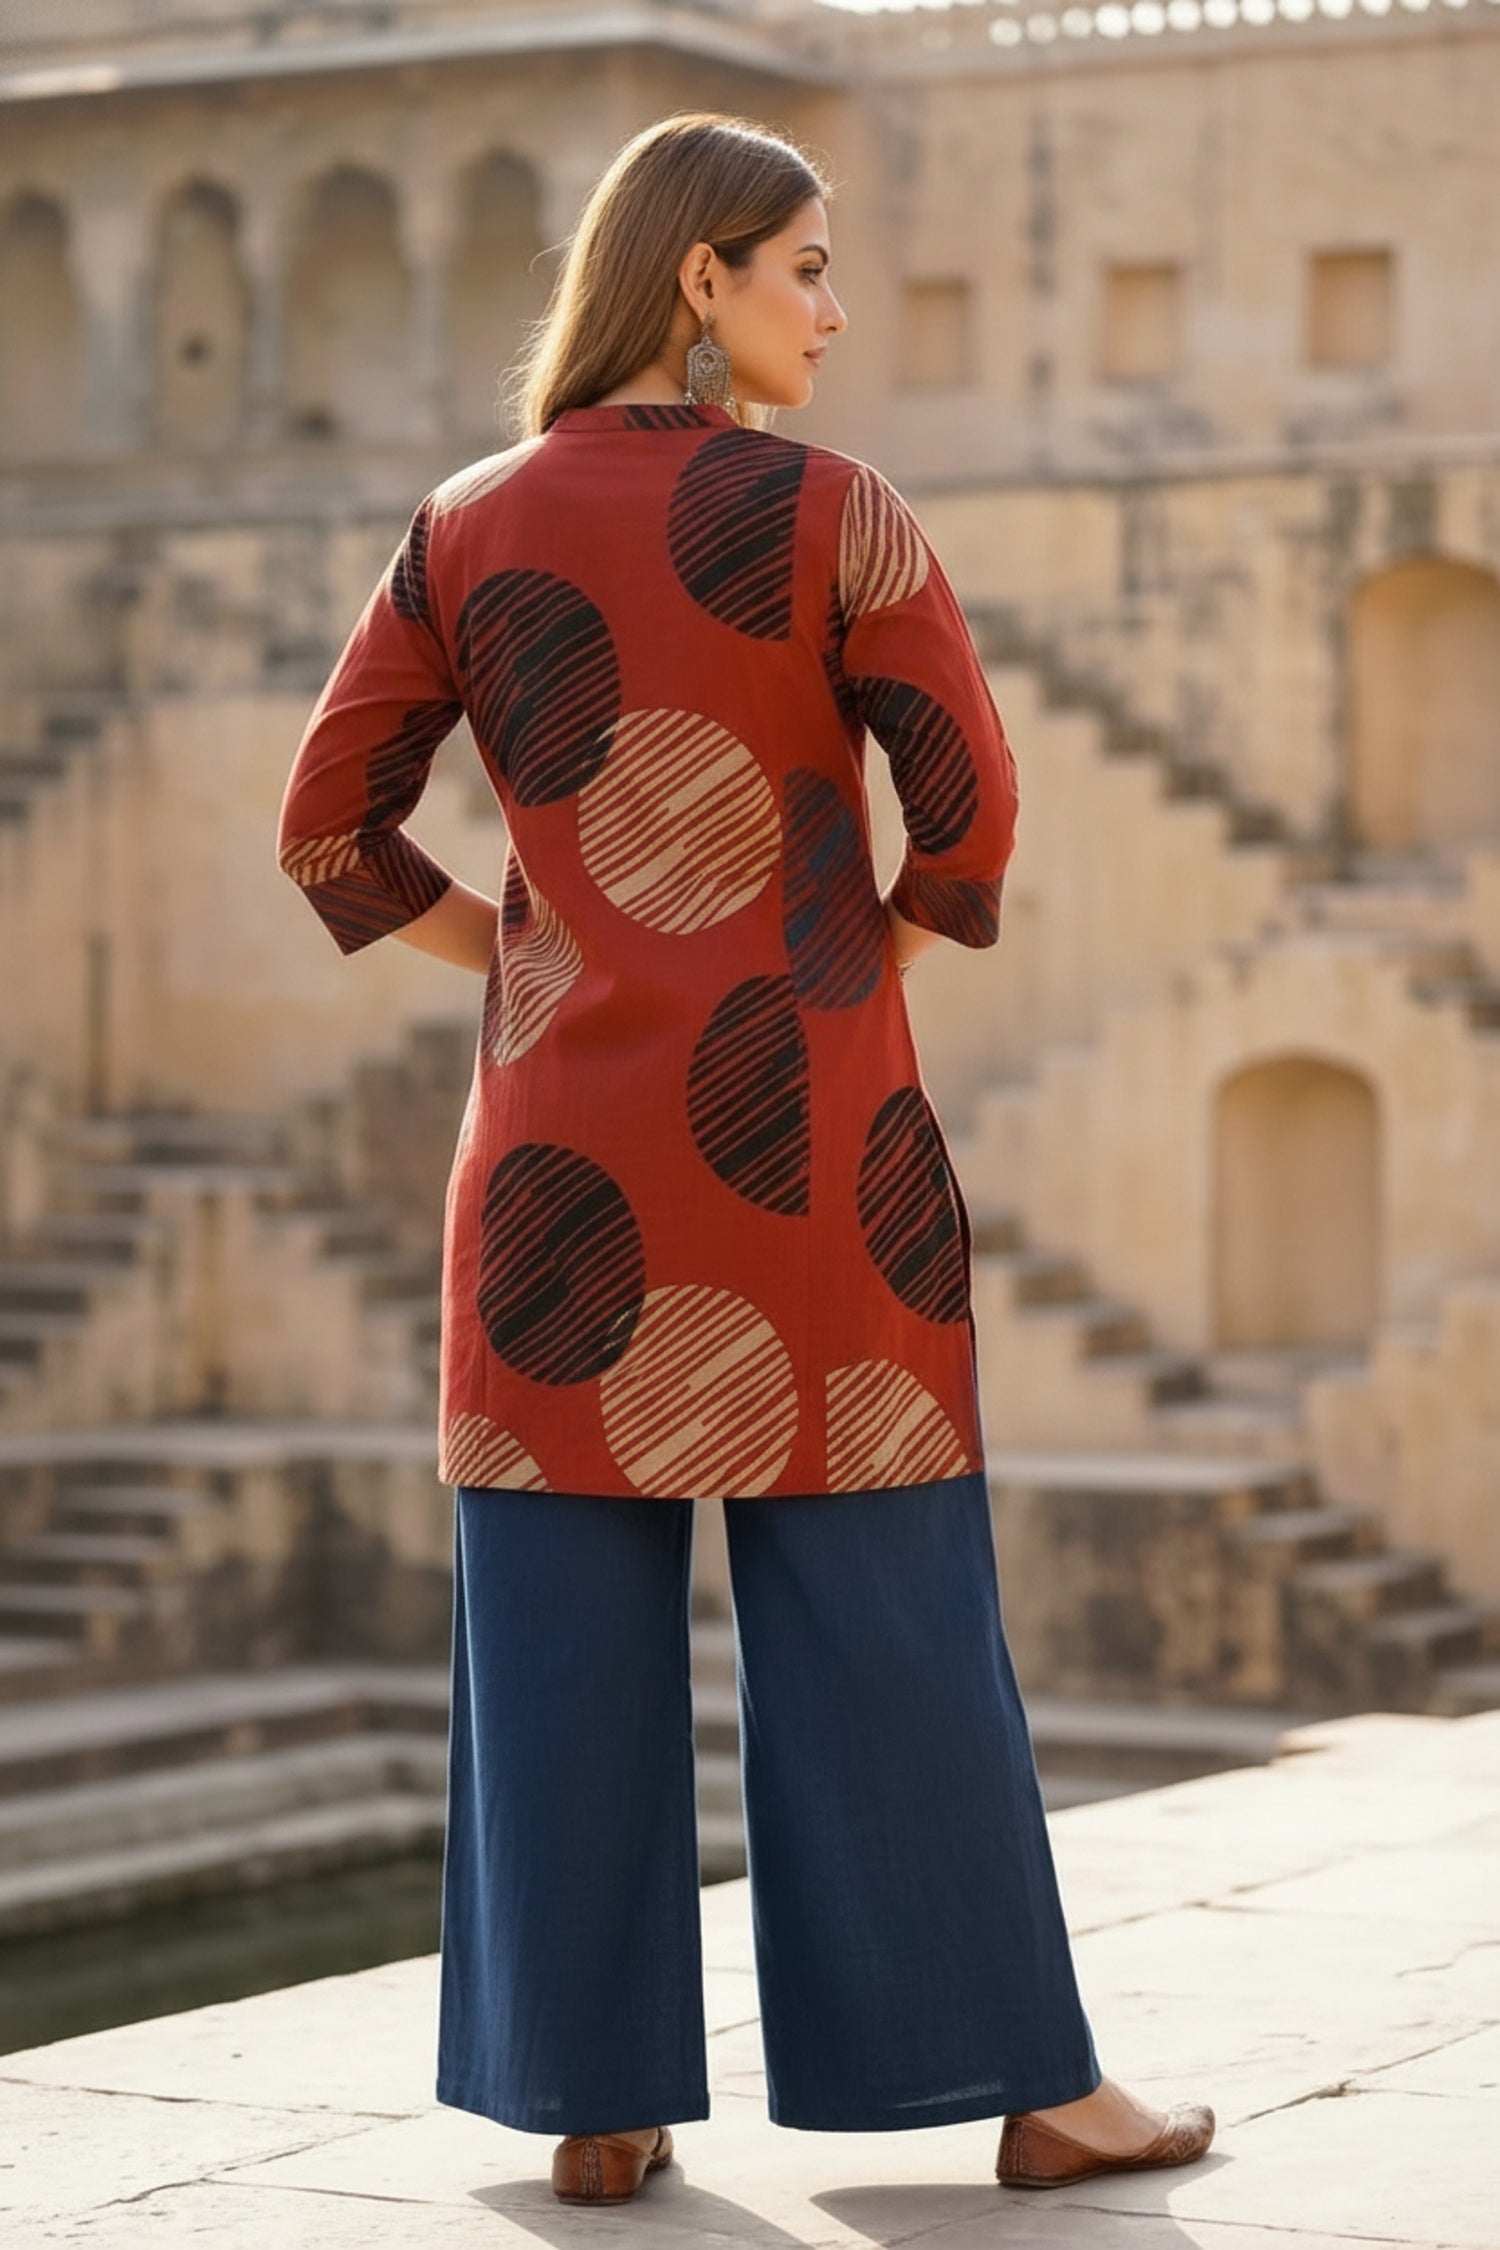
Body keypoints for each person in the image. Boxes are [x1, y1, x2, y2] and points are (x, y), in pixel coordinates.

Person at [276, 109, 1214, 2204]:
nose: (835, 307)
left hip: (551, 1171)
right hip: (813, 1150)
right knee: (885, 1619)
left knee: (559, 1625)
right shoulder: (831, 515)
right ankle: (1027, 2090)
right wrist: (856, 953)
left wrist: (521, 948)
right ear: (697, 278)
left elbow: (328, 830)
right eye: (804, 266)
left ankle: (588, 2097)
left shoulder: (461, 525)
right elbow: (967, 810)